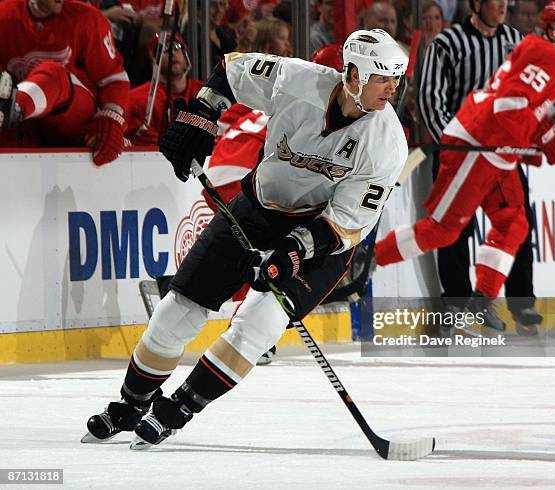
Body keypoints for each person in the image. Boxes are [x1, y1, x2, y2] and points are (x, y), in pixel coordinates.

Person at [83, 28, 408, 447]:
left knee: (260, 322)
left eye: (396, 79)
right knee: (177, 311)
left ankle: (177, 409)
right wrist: (202, 118)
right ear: (353, 74)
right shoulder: (297, 80)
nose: (392, 89)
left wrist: (287, 255)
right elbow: (230, 71)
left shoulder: (387, 143)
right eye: (383, 77)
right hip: (256, 210)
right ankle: (130, 403)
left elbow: (343, 224)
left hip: (321, 237)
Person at [375, 2, 555, 331]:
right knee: (445, 230)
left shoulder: (524, 42)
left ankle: (481, 302)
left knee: (514, 224)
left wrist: (543, 131)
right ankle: (368, 259)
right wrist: (537, 137)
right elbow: (507, 105)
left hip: (495, 148)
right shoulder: (543, 55)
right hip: (474, 144)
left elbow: (516, 102)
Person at [411, 0, 537, 332]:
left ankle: (520, 303)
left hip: (499, 156)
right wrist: (454, 145)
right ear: (476, 4)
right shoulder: (446, 44)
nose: (503, 5)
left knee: (516, 225)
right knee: (453, 231)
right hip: (458, 155)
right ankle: (455, 304)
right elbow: (430, 98)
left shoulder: (515, 42)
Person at [0, 0, 129, 165]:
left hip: (73, 116)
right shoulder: (5, 16)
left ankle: (14, 107)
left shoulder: (87, 18)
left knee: (53, 74)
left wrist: (113, 117)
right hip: (24, 128)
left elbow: (113, 79)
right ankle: (12, 109)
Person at [125, 32, 203, 145]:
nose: (171, 52)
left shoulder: (206, 93)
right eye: (163, 49)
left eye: (177, 47)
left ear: (186, 56)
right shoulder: (138, 100)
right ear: (152, 61)